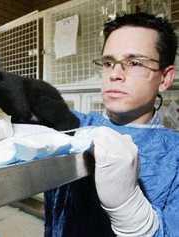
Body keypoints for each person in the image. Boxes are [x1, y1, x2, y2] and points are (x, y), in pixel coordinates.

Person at [44, 12, 179, 237]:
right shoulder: (77, 126)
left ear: (165, 78)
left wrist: (130, 211)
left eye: (134, 62)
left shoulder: (174, 157)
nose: (115, 74)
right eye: (108, 62)